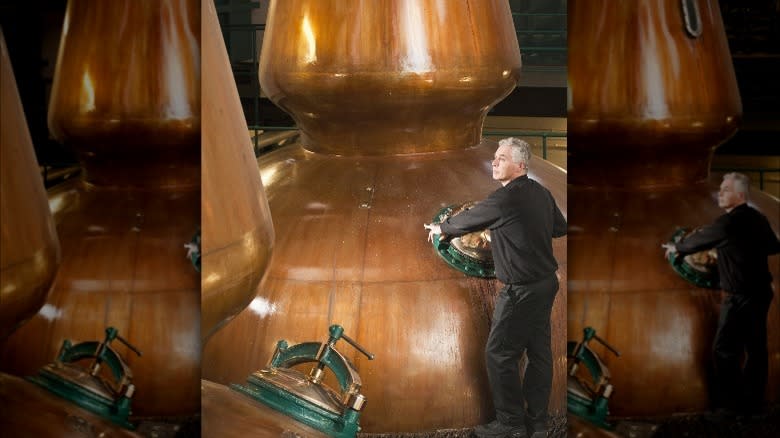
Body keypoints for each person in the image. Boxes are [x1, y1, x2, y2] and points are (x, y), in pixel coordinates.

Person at [424, 137, 566, 438]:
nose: (495, 162)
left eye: (503, 158)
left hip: (521, 289)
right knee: (539, 353)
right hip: (545, 284)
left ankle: (510, 424)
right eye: (496, 157)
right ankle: (538, 423)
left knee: (499, 353)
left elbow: (470, 219)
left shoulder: (505, 199)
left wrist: (442, 228)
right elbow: (559, 227)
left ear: (521, 165)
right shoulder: (541, 192)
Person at [664, 172, 780, 416]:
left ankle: (732, 405)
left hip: (739, 295)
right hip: (760, 292)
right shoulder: (757, 218)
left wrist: (678, 247)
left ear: (740, 195)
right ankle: (753, 404)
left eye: (726, 190)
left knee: (724, 349)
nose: (721, 193)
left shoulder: (728, 222)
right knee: (756, 349)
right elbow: (772, 246)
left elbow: (698, 241)